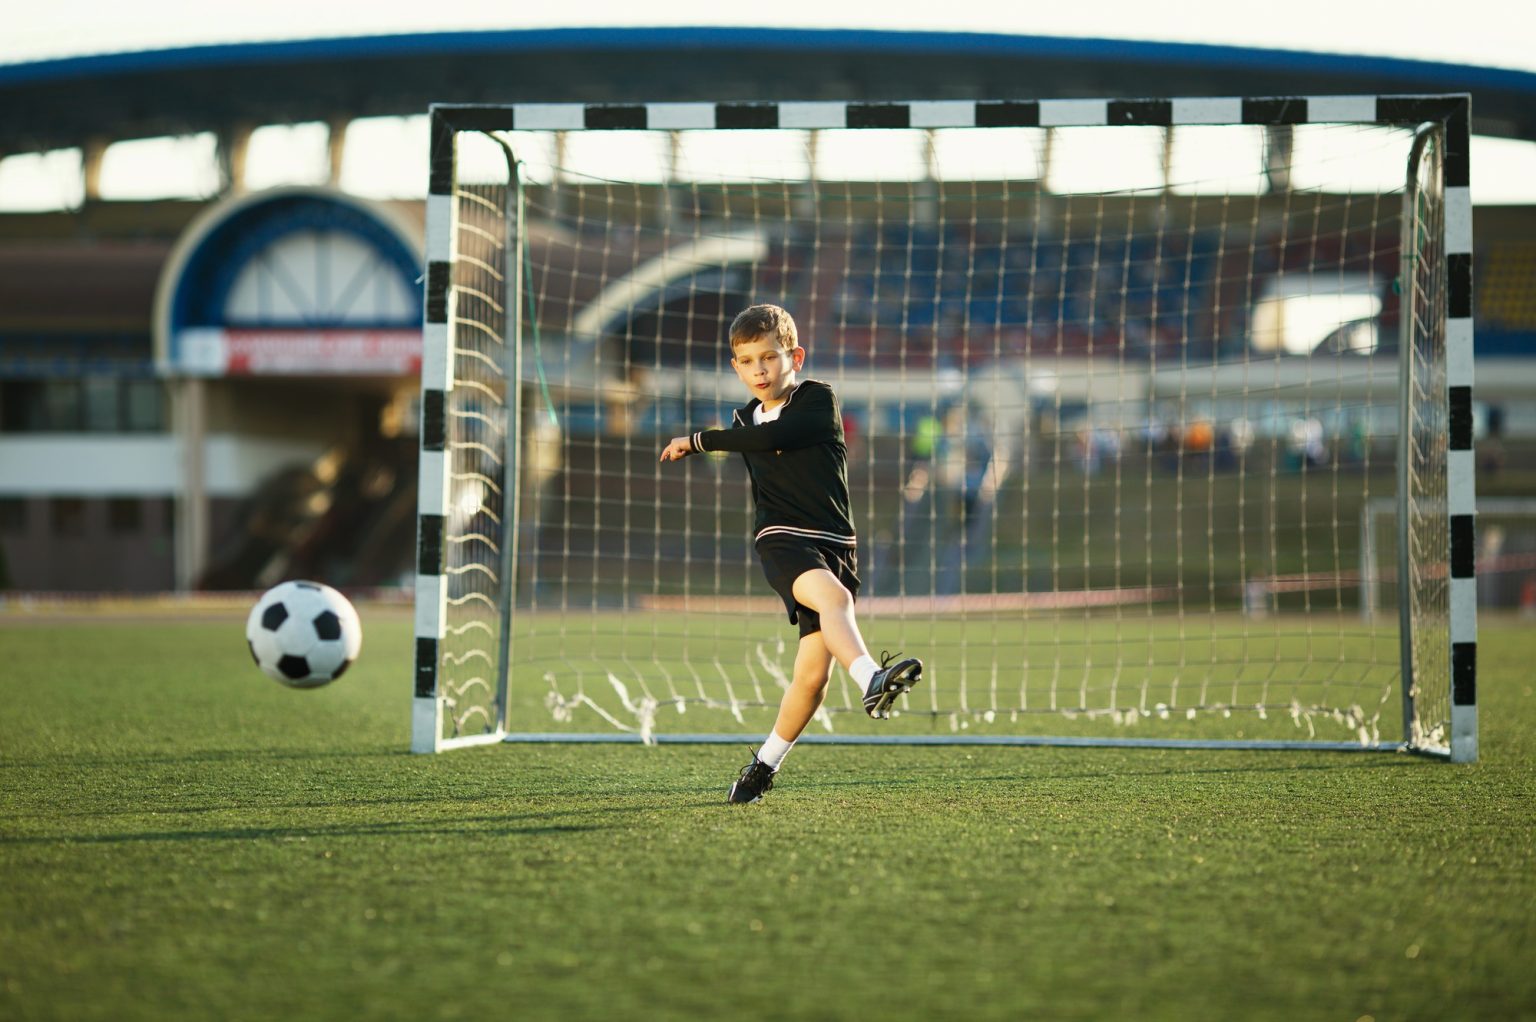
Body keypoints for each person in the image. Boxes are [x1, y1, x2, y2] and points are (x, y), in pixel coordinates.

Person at [660, 304, 923, 804]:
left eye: (769, 357)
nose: (759, 369)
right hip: (781, 537)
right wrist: (706, 442)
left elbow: (773, 437)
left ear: (794, 357)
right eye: (747, 361)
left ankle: (762, 767)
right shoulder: (743, 417)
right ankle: (873, 678)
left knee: (812, 677)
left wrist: (698, 440)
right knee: (834, 601)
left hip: (837, 544)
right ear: (735, 367)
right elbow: (753, 437)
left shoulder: (817, 399)